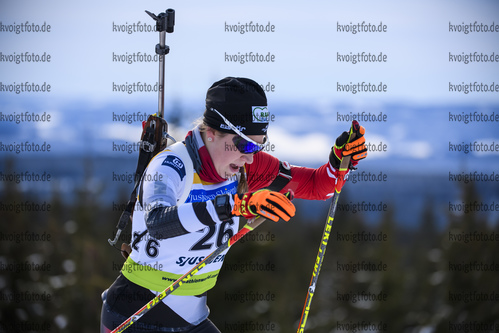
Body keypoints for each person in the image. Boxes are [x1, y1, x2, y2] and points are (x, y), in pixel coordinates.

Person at [100, 77, 367, 332]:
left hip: (190, 318)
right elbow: (158, 223)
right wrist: (235, 205)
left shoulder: (244, 167)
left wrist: (339, 164)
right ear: (212, 132)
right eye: (243, 145)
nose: (249, 158)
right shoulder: (171, 166)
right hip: (136, 314)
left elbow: (315, 187)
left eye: (257, 147)